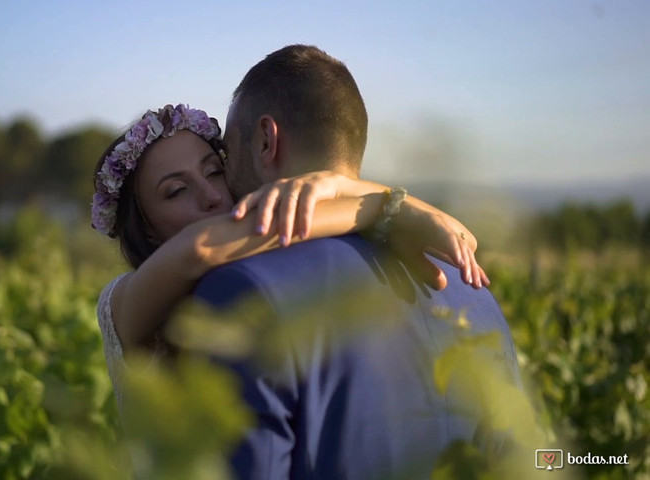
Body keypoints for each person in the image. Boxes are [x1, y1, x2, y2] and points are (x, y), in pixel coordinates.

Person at [192, 45, 523, 479]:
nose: (224, 171)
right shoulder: (475, 291)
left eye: (228, 151)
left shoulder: (242, 290)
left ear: (267, 140)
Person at [92, 103, 487, 414]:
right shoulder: (123, 302)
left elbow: (462, 240)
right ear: (145, 228)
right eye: (176, 191)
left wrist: (349, 188)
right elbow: (199, 248)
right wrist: (379, 205)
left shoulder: (256, 273)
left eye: (213, 172)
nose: (210, 195)